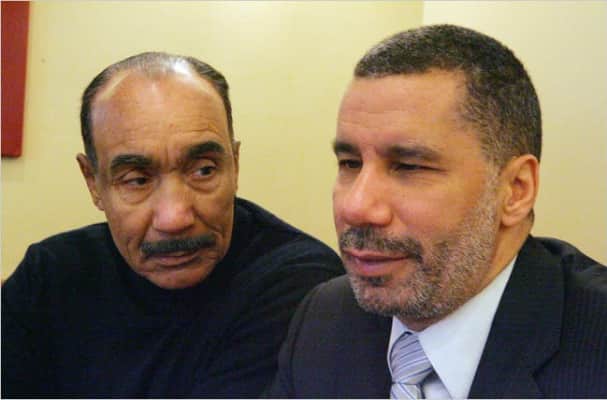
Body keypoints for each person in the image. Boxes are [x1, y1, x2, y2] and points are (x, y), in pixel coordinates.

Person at [267, 24, 607, 398]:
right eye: (350, 163)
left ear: (515, 190)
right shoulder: (325, 319)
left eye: (409, 166)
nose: (356, 207)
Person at [1, 52, 343, 398]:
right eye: (137, 180)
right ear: (93, 182)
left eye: (204, 170)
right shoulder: (49, 276)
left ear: (235, 164)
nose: (175, 217)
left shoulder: (299, 284)